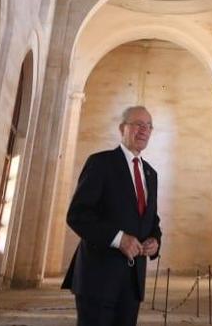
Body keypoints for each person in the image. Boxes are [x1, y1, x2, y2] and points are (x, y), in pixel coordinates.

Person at [63, 105, 162, 326]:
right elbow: (77, 215)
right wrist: (119, 239)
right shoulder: (100, 163)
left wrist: (155, 241)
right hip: (98, 279)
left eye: (149, 126)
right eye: (138, 124)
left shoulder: (151, 174)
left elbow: (151, 220)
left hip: (133, 282)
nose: (144, 130)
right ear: (122, 128)